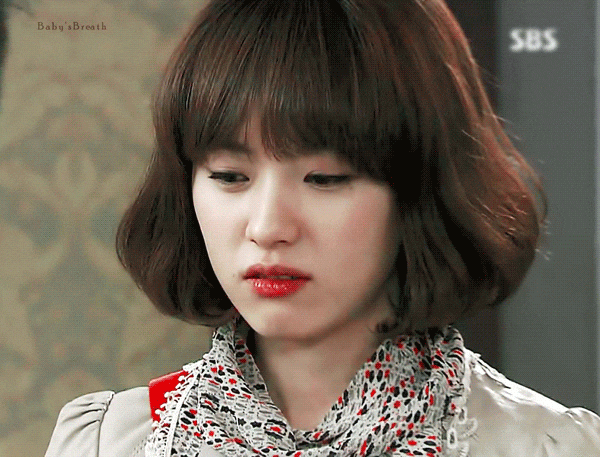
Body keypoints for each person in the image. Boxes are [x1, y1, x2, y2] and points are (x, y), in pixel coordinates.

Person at [45, 0, 600, 456]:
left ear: (421, 187)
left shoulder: (545, 447)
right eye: (230, 176)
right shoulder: (108, 443)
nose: (268, 227)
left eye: (325, 179)